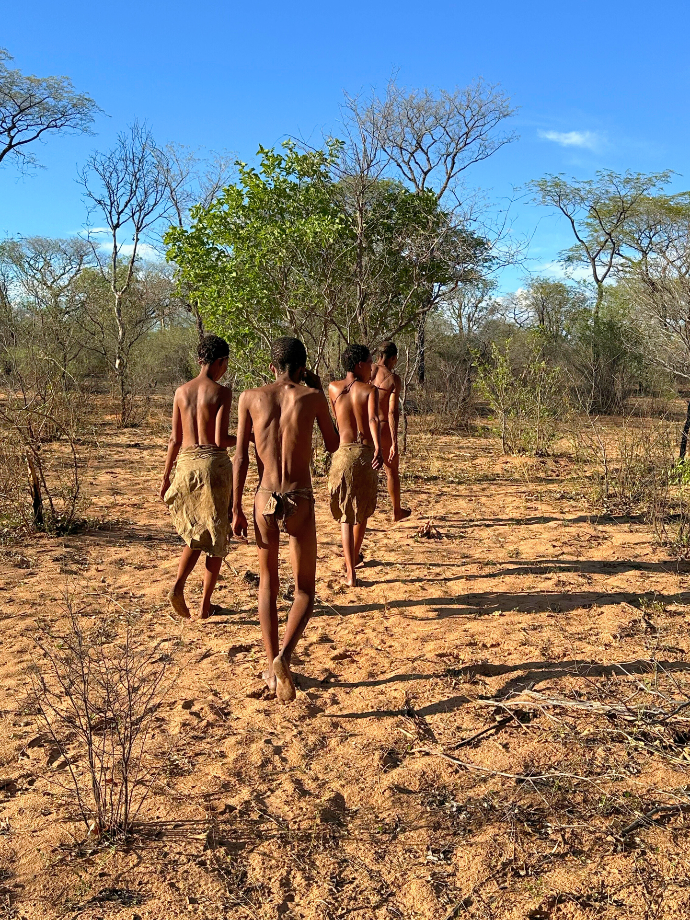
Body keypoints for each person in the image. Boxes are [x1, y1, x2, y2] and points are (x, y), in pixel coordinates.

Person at [232, 337, 339, 703]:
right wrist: (317, 391)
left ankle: (270, 667)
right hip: (299, 497)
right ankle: (285, 658)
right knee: (304, 590)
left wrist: (235, 507)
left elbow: (240, 458)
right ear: (303, 367)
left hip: (264, 497)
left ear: (272, 367)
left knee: (267, 584)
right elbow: (334, 444)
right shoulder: (312, 397)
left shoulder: (250, 397)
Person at [161, 334, 236, 620]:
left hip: (186, 465)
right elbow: (219, 439)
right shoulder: (221, 392)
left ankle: (179, 585)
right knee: (217, 536)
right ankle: (205, 604)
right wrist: (248, 437)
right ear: (220, 362)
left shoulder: (181, 392)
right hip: (212, 467)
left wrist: (165, 477)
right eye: (225, 364)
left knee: (195, 533)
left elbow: (174, 439)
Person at [328, 344, 383, 588]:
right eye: (370, 363)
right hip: (363, 454)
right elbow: (373, 418)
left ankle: (350, 570)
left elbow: (336, 419)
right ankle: (354, 558)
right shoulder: (369, 390)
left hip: (342, 455)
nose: (372, 368)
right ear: (360, 365)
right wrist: (379, 447)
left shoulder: (333, 388)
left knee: (345, 515)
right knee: (361, 511)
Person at [370, 341, 411, 522]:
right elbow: (392, 411)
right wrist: (394, 441)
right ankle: (396, 511)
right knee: (391, 469)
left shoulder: (366, 371)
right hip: (383, 426)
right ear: (393, 358)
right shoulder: (393, 379)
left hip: (364, 426)